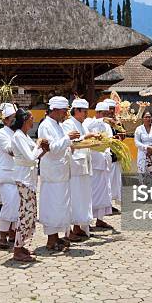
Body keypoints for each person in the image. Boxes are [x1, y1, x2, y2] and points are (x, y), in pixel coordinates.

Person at [38, 96, 79, 251]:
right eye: (64, 111)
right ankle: (51, 239)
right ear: (55, 110)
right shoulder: (45, 126)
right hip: (52, 174)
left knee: (61, 206)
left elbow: (62, 145)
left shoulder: (58, 125)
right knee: (52, 206)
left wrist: (71, 145)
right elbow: (52, 148)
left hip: (62, 173)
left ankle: (57, 237)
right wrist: (67, 139)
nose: (65, 114)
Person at [11, 108, 48, 261]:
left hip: (29, 178)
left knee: (31, 213)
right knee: (25, 213)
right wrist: (39, 145)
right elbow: (31, 158)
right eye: (32, 118)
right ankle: (17, 249)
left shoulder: (24, 136)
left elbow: (35, 156)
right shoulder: (18, 136)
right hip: (23, 178)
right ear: (25, 119)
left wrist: (43, 149)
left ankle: (23, 244)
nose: (34, 121)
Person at [61, 98, 95, 239]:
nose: (86, 114)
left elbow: (85, 141)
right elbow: (71, 144)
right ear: (76, 111)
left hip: (84, 165)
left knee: (83, 198)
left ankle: (78, 226)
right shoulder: (68, 124)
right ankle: (69, 231)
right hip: (74, 166)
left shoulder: (83, 125)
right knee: (73, 197)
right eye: (84, 111)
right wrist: (86, 137)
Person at [84, 102, 113, 229]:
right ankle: (88, 220)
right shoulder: (89, 122)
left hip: (104, 160)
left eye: (107, 114)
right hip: (94, 162)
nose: (106, 116)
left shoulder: (107, 126)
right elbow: (88, 129)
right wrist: (102, 119)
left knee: (105, 192)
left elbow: (109, 140)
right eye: (104, 114)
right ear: (98, 113)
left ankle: (100, 219)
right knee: (92, 192)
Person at [0, 104, 18, 249]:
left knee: (17, 205)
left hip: (17, 174)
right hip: (6, 174)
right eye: (13, 118)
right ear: (6, 120)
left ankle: (13, 233)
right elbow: (11, 150)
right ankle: (2, 235)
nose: (15, 121)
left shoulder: (17, 132)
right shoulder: (1, 133)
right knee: (9, 205)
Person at [102, 98, 122, 214]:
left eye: (112, 109)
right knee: (106, 182)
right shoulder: (103, 122)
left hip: (115, 156)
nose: (111, 111)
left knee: (113, 183)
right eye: (109, 109)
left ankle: (109, 204)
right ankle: (105, 205)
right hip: (105, 156)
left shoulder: (115, 121)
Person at [134, 111, 152, 179]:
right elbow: (136, 142)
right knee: (143, 174)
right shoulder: (139, 129)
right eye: (146, 117)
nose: (148, 119)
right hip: (143, 153)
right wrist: (146, 147)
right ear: (143, 118)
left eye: (149, 117)